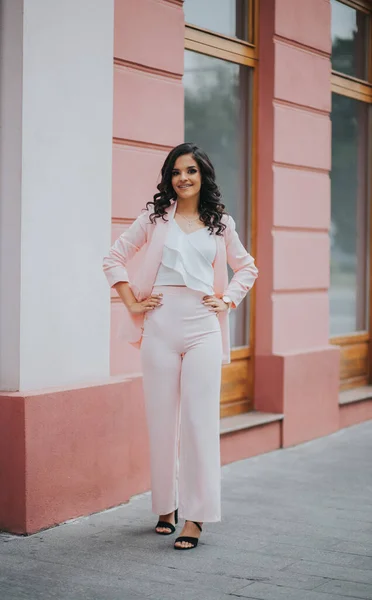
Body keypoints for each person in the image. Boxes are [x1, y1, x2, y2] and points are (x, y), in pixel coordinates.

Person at [103, 142, 258, 550]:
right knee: (161, 422)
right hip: (160, 328)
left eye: (190, 171)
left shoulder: (221, 224)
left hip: (204, 328)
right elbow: (113, 257)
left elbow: (247, 267)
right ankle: (165, 506)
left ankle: (196, 517)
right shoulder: (154, 219)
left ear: (202, 175)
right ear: (168, 179)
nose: (183, 178)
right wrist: (133, 301)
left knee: (198, 422)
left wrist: (227, 299)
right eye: (175, 172)